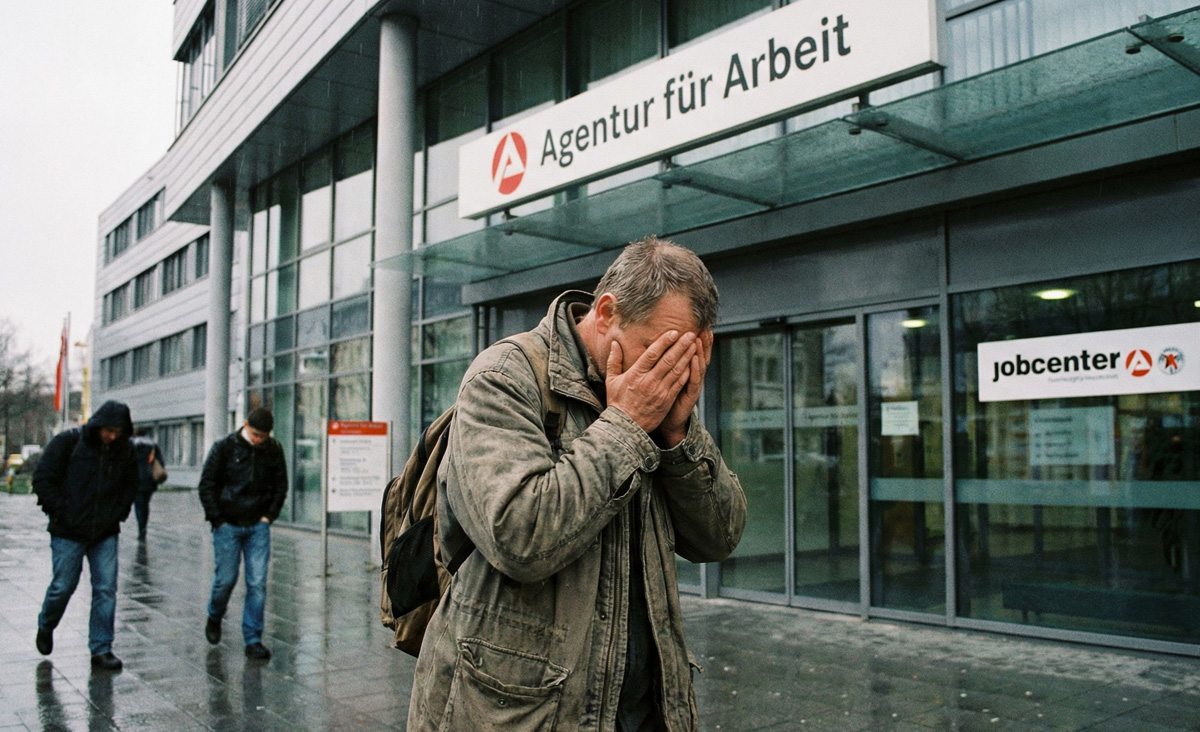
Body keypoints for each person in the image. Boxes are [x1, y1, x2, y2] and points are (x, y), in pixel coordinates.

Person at [407, 237, 747, 732]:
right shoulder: (505, 377)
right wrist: (626, 426)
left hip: (642, 712)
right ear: (606, 314)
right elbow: (519, 537)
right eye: (655, 351)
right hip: (521, 713)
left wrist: (678, 436)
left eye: (681, 357)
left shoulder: (655, 399)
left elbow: (720, 536)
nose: (666, 373)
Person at [32, 400, 138, 672]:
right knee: (63, 585)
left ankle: (101, 648)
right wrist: (61, 511)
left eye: (118, 432)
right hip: (68, 530)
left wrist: (118, 514)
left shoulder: (125, 450)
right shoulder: (69, 442)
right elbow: (42, 479)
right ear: (99, 425)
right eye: (108, 431)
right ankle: (46, 624)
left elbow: (131, 485)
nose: (112, 436)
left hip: (105, 531)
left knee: (106, 589)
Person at [198, 407, 288, 661]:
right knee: (225, 580)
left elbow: (281, 486)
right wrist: (218, 520)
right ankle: (215, 616)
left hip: (258, 526)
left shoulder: (273, 449)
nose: (259, 440)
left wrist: (268, 517)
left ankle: (253, 639)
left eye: (264, 436)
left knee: (257, 583)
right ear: (246, 425)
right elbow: (207, 485)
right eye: (256, 434)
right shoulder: (224, 447)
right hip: (228, 525)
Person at [130, 427, 167, 541]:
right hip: (150, 481)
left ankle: (141, 527)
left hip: (136, 480)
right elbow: (160, 462)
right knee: (145, 504)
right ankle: (143, 526)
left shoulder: (132, 446)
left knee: (139, 505)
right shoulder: (153, 446)